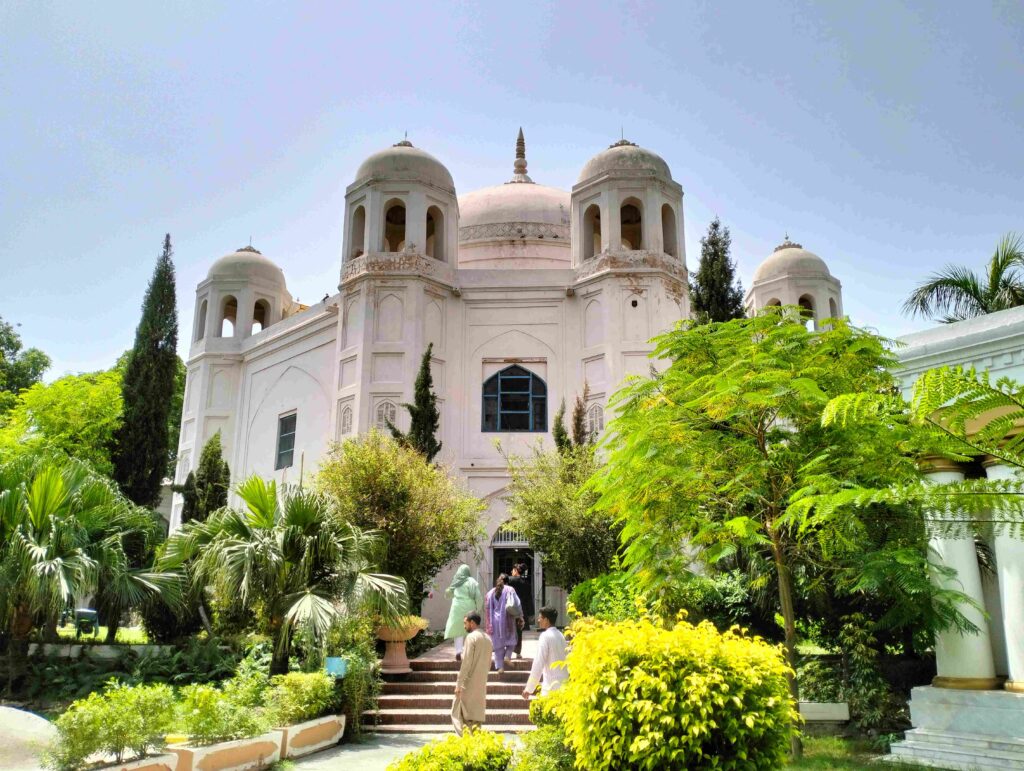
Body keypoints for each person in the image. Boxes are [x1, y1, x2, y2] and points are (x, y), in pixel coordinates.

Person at [452, 611, 492, 735]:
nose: (464, 626)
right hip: (481, 682)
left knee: (457, 713)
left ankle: (465, 742)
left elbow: (466, 663)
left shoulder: (471, 637)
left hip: (468, 683)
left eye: (465, 623)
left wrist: (459, 684)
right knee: (476, 718)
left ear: (472, 623)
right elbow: (489, 663)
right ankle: (475, 744)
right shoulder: (488, 638)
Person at [522, 605, 568, 699]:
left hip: (551, 688)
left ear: (546, 620)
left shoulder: (545, 636)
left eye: (540, 618)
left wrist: (529, 688)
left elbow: (538, 663)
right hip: (564, 686)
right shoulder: (561, 635)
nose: (538, 620)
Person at [444, 564, 482, 662]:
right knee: (471, 629)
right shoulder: (471, 581)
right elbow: (478, 597)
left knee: (458, 631)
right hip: (469, 607)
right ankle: (470, 651)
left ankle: (458, 651)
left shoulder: (456, 581)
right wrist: (478, 608)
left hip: (456, 607)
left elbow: (448, 594)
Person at [485, 573, 520, 673]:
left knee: (497, 646)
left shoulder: (490, 592)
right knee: (512, 640)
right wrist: (520, 616)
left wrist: (488, 624)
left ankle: (500, 667)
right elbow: (517, 604)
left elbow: (487, 608)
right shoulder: (510, 589)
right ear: (507, 581)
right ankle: (507, 656)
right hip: (507, 620)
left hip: (494, 622)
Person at [507, 562, 535, 659]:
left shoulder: (510, 581)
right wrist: (531, 613)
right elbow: (529, 599)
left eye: (512, 570)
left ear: (515, 571)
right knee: (519, 631)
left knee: (508, 630)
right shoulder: (526, 583)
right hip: (521, 611)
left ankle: (508, 652)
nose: (511, 572)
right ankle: (518, 652)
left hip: (509, 609)